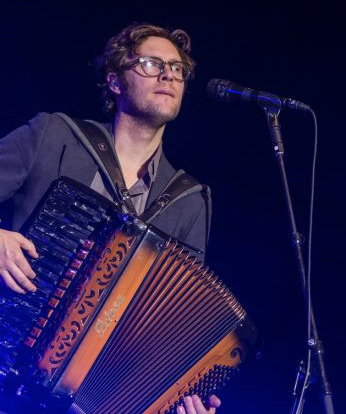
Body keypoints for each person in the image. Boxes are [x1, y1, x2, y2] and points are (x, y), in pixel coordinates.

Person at [0, 23, 220, 414]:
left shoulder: (190, 200)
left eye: (178, 68)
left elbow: (169, 332)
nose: (169, 74)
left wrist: (177, 398)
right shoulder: (53, 134)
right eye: (152, 64)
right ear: (115, 81)